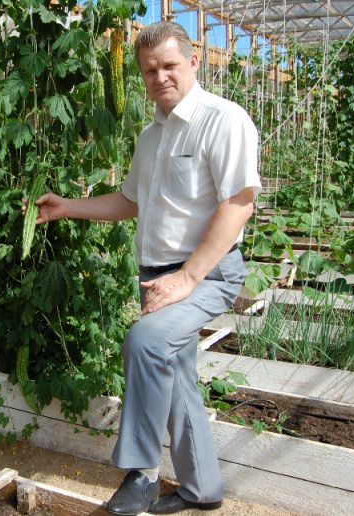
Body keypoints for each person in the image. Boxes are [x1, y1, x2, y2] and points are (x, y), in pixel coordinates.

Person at [28, 22, 261, 514]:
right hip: (157, 276)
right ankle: (202, 489)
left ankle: (142, 473)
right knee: (174, 377)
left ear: (194, 61)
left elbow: (239, 203)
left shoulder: (223, 120)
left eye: (170, 65)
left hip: (205, 273)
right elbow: (130, 201)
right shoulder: (151, 135)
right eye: (150, 70)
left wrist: (187, 278)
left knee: (146, 342)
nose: (160, 77)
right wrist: (67, 207)